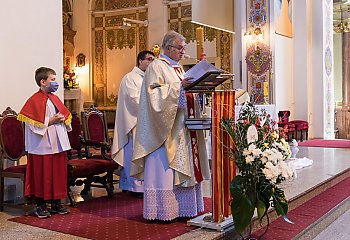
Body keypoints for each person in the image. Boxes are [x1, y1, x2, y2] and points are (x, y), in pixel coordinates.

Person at [132, 31, 211, 221]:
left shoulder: (178, 68)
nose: (183, 52)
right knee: (165, 169)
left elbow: (183, 91)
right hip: (165, 132)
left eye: (184, 48)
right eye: (180, 48)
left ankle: (184, 208)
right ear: (168, 47)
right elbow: (153, 96)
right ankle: (163, 211)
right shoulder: (157, 67)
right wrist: (179, 88)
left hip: (182, 127)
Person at [18, 67, 71, 218]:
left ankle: (55, 203)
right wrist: (51, 120)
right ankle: (40, 205)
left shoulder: (54, 98)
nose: (55, 83)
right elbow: (31, 122)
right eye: (52, 80)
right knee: (43, 175)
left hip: (58, 143)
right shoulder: (34, 100)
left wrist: (62, 119)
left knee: (57, 174)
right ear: (43, 82)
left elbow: (65, 115)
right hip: (42, 145)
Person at [111, 50, 155, 198]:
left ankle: (139, 185)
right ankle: (134, 187)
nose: (151, 62)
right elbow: (134, 100)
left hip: (146, 123)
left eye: (153, 59)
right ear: (140, 61)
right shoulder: (130, 78)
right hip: (134, 124)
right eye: (149, 59)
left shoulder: (148, 78)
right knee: (133, 155)